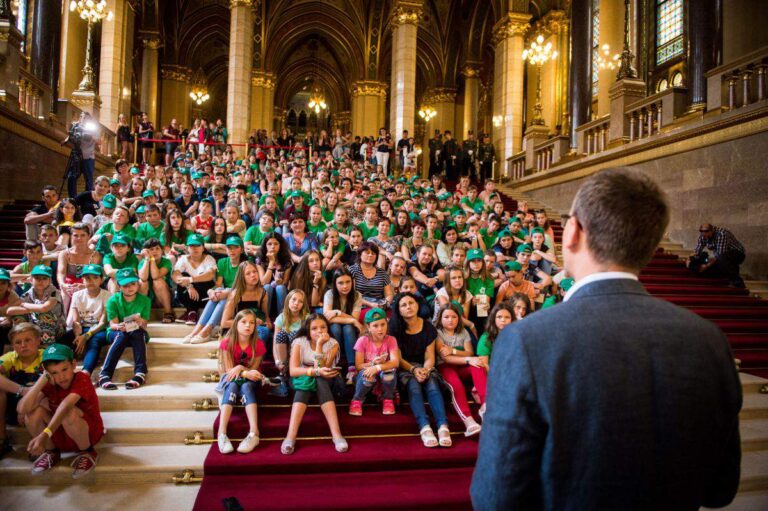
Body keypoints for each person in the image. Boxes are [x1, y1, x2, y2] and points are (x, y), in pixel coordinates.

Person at [471, 168, 742, 510]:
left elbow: (494, 497)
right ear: (650, 244)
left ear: (572, 232)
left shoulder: (525, 341)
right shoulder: (708, 341)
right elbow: (720, 489)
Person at [18, 343, 104, 478]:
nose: (61, 376)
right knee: (32, 414)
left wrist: (45, 434)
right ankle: (52, 452)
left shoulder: (82, 379)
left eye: (64, 369)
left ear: (73, 365)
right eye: (54, 373)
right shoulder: (49, 383)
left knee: (68, 413)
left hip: (87, 434)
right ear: (47, 373)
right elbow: (22, 409)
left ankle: (88, 453)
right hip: (61, 433)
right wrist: (41, 381)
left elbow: (65, 406)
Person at [390, 292, 451, 448]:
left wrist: (425, 369)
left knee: (432, 385)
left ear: (417, 305)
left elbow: (430, 356)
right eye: (403, 305)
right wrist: (413, 369)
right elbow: (398, 358)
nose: (408, 307)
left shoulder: (428, 327)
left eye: (411, 303)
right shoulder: (394, 329)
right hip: (405, 367)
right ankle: (424, 427)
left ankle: (443, 426)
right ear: (399, 310)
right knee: (414, 386)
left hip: (425, 365)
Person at [281, 314, 347, 455]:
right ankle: (290, 437)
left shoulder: (333, 343)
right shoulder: (299, 342)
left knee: (320, 379)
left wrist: (319, 345)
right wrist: (313, 371)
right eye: (314, 328)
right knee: (307, 384)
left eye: (323, 327)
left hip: (326, 379)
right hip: (301, 378)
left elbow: (322, 368)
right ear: (308, 330)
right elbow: (293, 371)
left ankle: (337, 435)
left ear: (328, 328)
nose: (319, 331)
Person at [215, 310, 266, 455]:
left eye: (252, 323)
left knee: (246, 386)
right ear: (236, 324)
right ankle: (221, 433)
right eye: (243, 322)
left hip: (251, 380)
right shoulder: (227, 342)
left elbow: (254, 370)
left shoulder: (258, 344)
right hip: (231, 378)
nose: (248, 325)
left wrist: (241, 368)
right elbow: (228, 371)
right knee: (232, 385)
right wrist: (242, 370)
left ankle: (254, 433)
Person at [435, 303, 485, 436]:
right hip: (445, 367)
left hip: (461, 366)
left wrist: (453, 350)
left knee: (477, 365)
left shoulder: (463, 332)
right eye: (446, 317)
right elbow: (446, 358)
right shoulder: (437, 332)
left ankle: (485, 405)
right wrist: (467, 358)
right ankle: (468, 420)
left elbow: (470, 352)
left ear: (459, 318)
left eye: (454, 317)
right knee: (456, 385)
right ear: (440, 318)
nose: (450, 320)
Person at [98, 268, 152, 390]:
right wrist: (119, 326)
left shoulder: (145, 300)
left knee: (138, 332)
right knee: (121, 335)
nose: (130, 288)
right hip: (117, 332)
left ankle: (140, 373)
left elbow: (144, 324)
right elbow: (113, 324)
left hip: (136, 332)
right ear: (119, 286)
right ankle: (105, 374)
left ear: (137, 284)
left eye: (133, 284)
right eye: (125, 285)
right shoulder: (113, 300)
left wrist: (140, 321)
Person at [0, 323, 43, 459]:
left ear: (38, 341)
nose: (23, 345)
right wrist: (23, 391)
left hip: (38, 404)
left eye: (28, 340)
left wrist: (26, 404)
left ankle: (40, 443)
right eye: (18, 342)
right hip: (11, 406)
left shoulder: (47, 357)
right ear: (13, 346)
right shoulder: (10, 358)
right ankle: (2, 439)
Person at [348, 308, 399, 416]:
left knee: (389, 373)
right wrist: (373, 364)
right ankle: (357, 399)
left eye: (383, 324)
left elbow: (395, 362)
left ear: (387, 323)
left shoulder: (391, 340)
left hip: (382, 374)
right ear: (368, 327)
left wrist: (378, 367)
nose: (380, 329)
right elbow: (358, 366)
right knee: (368, 375)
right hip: (365, 376)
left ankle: (388, 399)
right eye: (375, 326)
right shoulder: (362, 340)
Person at [66, 265, 109, 377]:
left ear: (101, 279)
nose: (91, 281)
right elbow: (76, 321)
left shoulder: (107, 295)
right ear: (83, 280)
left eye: (95, 277)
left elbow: (103, 323)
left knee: (94, 341)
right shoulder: (77, 295)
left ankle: (86, 373)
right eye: (87, 278)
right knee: (64, 338)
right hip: (82, 328)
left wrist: (87, 335)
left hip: (99, 329)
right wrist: (78, 336)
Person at [688, 223, 746, 288]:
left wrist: (706, 266)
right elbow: (697, 251)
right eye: (702, 233)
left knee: (721, 259)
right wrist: (690, 259)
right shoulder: (703, 236)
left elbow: (720, 255)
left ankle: (738, 282)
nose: (705, 236)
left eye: (707, 234)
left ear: (712, 230)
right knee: (706, 266)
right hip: (723, 256)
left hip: (738, 254)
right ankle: (727, 275)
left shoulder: (721, 234)